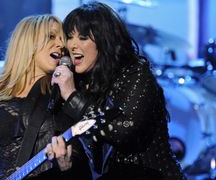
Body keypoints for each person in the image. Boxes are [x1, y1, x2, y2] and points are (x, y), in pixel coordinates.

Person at [47, 2, 185, 179]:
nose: (73, 45)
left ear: (104, 41)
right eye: (69, 37)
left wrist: (72, 97)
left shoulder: (135, 73)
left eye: (82, 38)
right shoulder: (81, 83)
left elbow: (125, 130)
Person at [0, 14, 92, 179]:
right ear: (28, 43)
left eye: (61, 39)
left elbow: (81, 155)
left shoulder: (60, 99)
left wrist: (67, 166)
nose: (61, 44)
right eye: (51, 37)